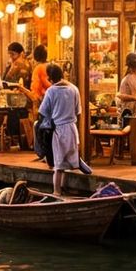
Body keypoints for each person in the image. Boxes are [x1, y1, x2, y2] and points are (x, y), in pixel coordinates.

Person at [37, 63, 84, 196]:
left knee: (58, 163)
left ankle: (56, 191)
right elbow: (78, 111)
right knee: (70, 161)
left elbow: (43, 112)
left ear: (50, 78)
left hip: (58, 129)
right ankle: (65, 188)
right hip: (72, 128)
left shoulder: (51, 91)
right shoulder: (74, 89)